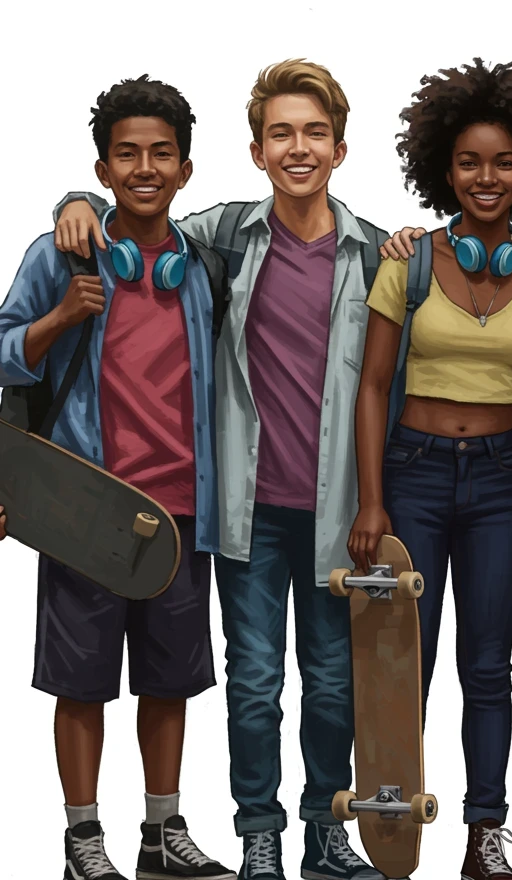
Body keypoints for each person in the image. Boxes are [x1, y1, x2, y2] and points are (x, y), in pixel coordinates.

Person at [51, 59, 390, 880]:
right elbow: (138, 214)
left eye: (314, 133)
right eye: (281, 133)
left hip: (338, 509)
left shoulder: (378, 253)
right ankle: (259, 835)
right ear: (256, 149)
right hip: (242, 509)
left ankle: (325, 829)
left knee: (335, 684)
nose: (298, 147)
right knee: (254, 685)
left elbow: (388, 384)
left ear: (340, 149)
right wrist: (75, 203)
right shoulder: (222, 238)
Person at [0, 75, 234, 880]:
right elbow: (1, 349)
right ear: (102, 170)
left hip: (179, 512)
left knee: (170, 681)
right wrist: (61, 317)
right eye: (126, 153)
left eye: (160, 153)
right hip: (84, 506)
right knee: (83, 683)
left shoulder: (202, 264)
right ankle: (81, 838)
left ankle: (161, 833)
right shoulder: (59, 252)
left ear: (186, 169)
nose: (144, 167)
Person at [346, 57, 512, 880]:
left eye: (504, 163)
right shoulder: (406, 262)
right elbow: (373, 384)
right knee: (403, 664)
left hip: (496, 481)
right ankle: (395, 821)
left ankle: (485, 835)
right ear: (444, 167)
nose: (487, 177)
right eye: (471, 162)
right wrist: (372, 501)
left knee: (488, 665)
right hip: (411, 472)